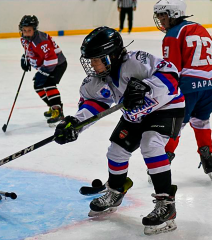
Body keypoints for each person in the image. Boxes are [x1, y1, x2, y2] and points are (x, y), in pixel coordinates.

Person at [54, 26, 185, 235]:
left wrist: (147, 87)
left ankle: (166, 204)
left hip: (166, 107)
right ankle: (115, 191)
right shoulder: (98, 79)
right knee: (116, 150)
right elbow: (93, 104)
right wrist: (74, 124)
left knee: (150, 145)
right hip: (135, 114)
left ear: (112, 55)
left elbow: (171, 73)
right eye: (91, 60)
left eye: (97, 59)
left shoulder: (136, 62)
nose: (92, 65)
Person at [154, 0, 212, 178]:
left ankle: (162, 162)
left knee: (176, 124)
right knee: (201, 121)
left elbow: (172, 70)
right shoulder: (200, 28)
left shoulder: (173, 34)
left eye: (163, 15)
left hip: (188, 87)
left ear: (174, 14)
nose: (160, 20)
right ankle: (208, 159)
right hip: (209, 85)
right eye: (158, 16)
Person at [19, 15, 67, 126]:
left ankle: (57, 110)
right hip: (47, 65)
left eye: (29, 30)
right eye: (24, 30)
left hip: (57, 64)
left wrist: (43, 73)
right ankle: (54, 107)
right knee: (38, 86)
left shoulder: (41, 41)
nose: (26, 33)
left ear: (34, 30)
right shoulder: (24, 39)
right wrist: (25, 58)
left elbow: (52, 59)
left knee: (49, 83)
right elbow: (29, 50)